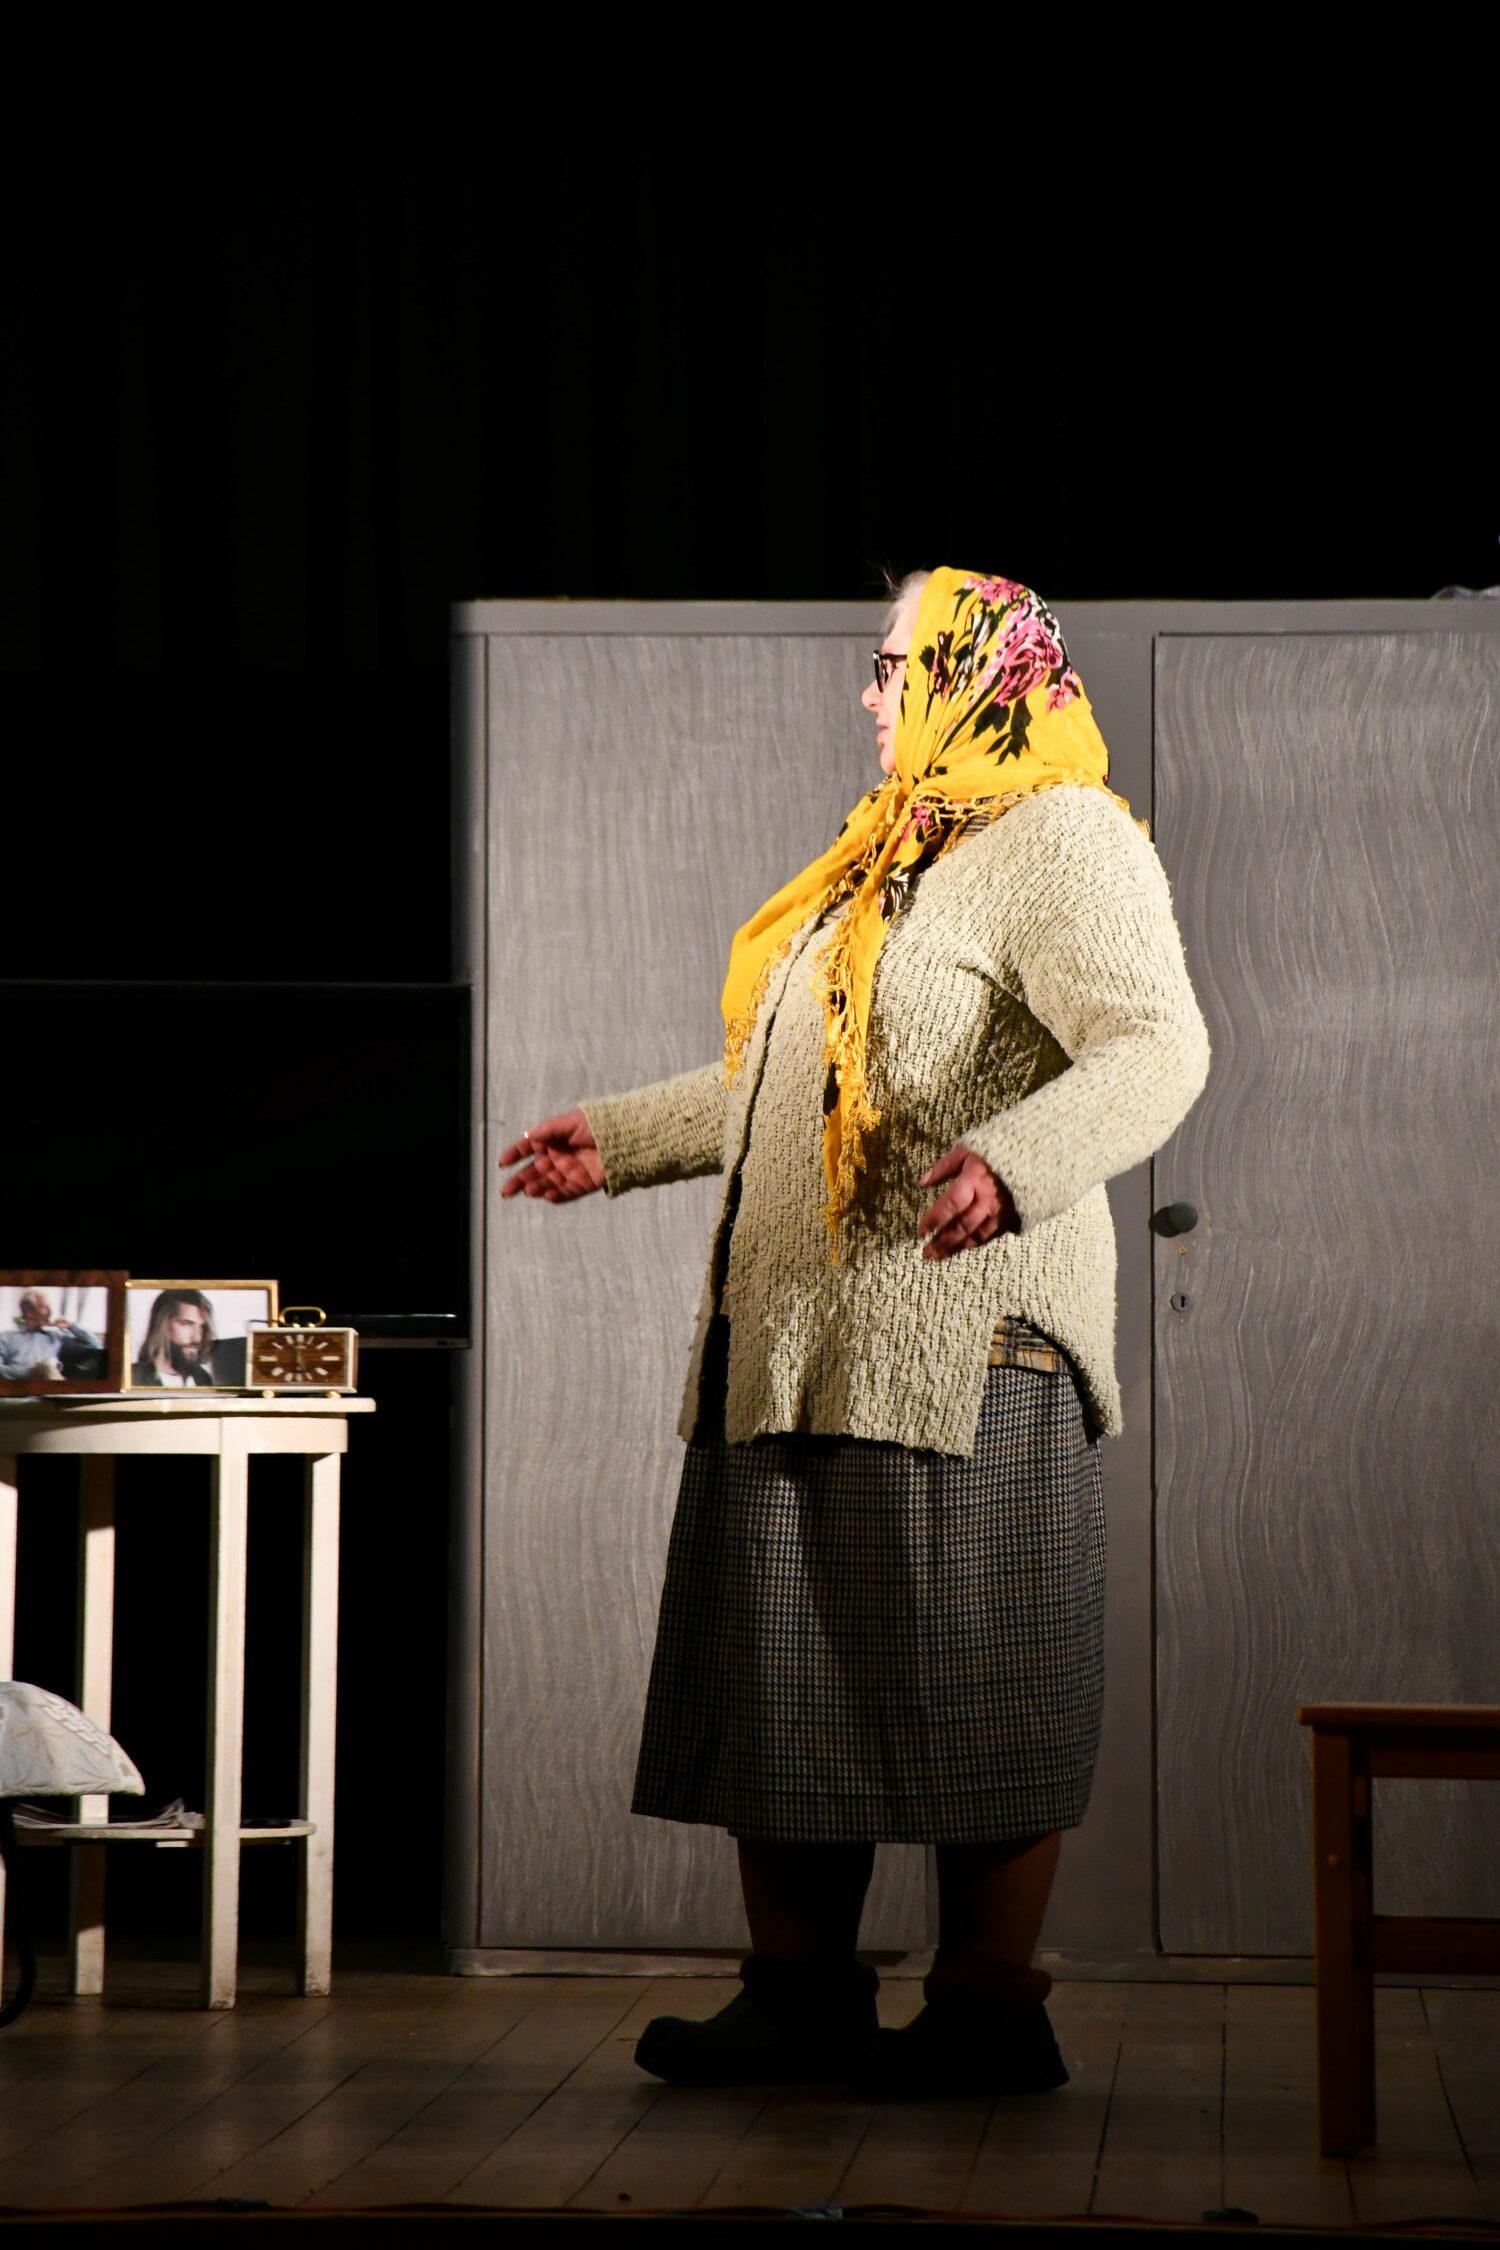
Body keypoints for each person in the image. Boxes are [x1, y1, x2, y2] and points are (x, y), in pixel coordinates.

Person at [498, 567, 1211, 2099]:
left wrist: (1016, 1160)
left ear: (976, 673)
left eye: (895, 663)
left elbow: (1159, 1044)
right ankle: (800, 1998)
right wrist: (622, 1138)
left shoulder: (1061, 835)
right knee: (785, 1679)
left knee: (982, 1680)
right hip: (798, 1339)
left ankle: (987, 2013)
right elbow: (800, 1084)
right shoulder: (883, 860)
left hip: (968, 1347)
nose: (870, 690)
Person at [0, 1290, 103, 1383]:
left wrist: (71, 1326)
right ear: (28, 1311)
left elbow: (95, 1345)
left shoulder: (56, 1337)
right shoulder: (6, 1337)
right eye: (45, 1307)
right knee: (45, 1368)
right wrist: (29, 1372)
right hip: (19, 1386)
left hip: (50, 1385)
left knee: (47, 1368)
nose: (50, 1312)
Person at [132, 1289, 221, 1386]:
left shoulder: (204, 1378)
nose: (198, 1338)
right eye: (186, 1324)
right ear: (162, 1325)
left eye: (202, 1327)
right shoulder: (132, 1378)